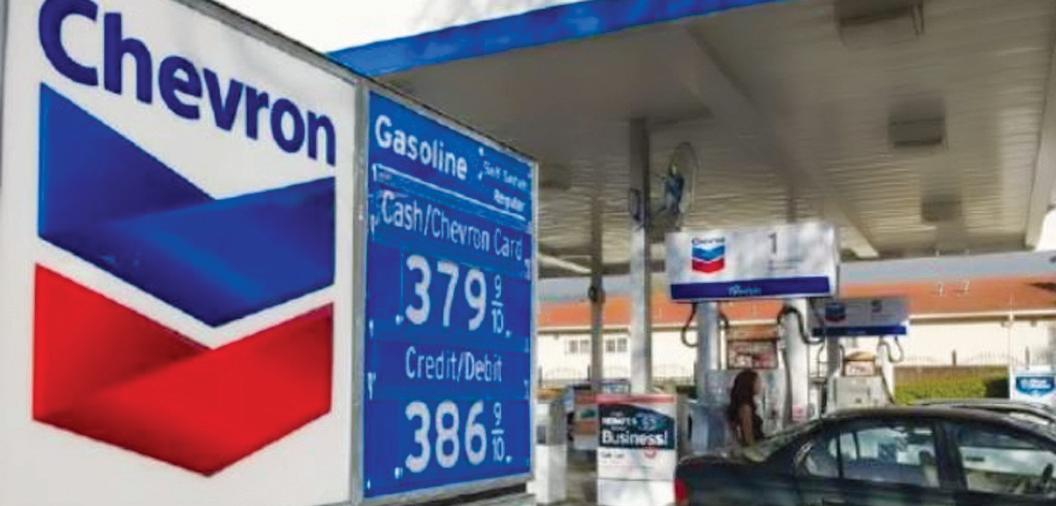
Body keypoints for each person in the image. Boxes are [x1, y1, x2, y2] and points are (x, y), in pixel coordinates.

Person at [727, 369, 765, 447]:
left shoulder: (745, 405)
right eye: (758, 382)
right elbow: (748, 437)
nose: (760, 386)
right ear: (749, 384)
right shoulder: (745, 408)